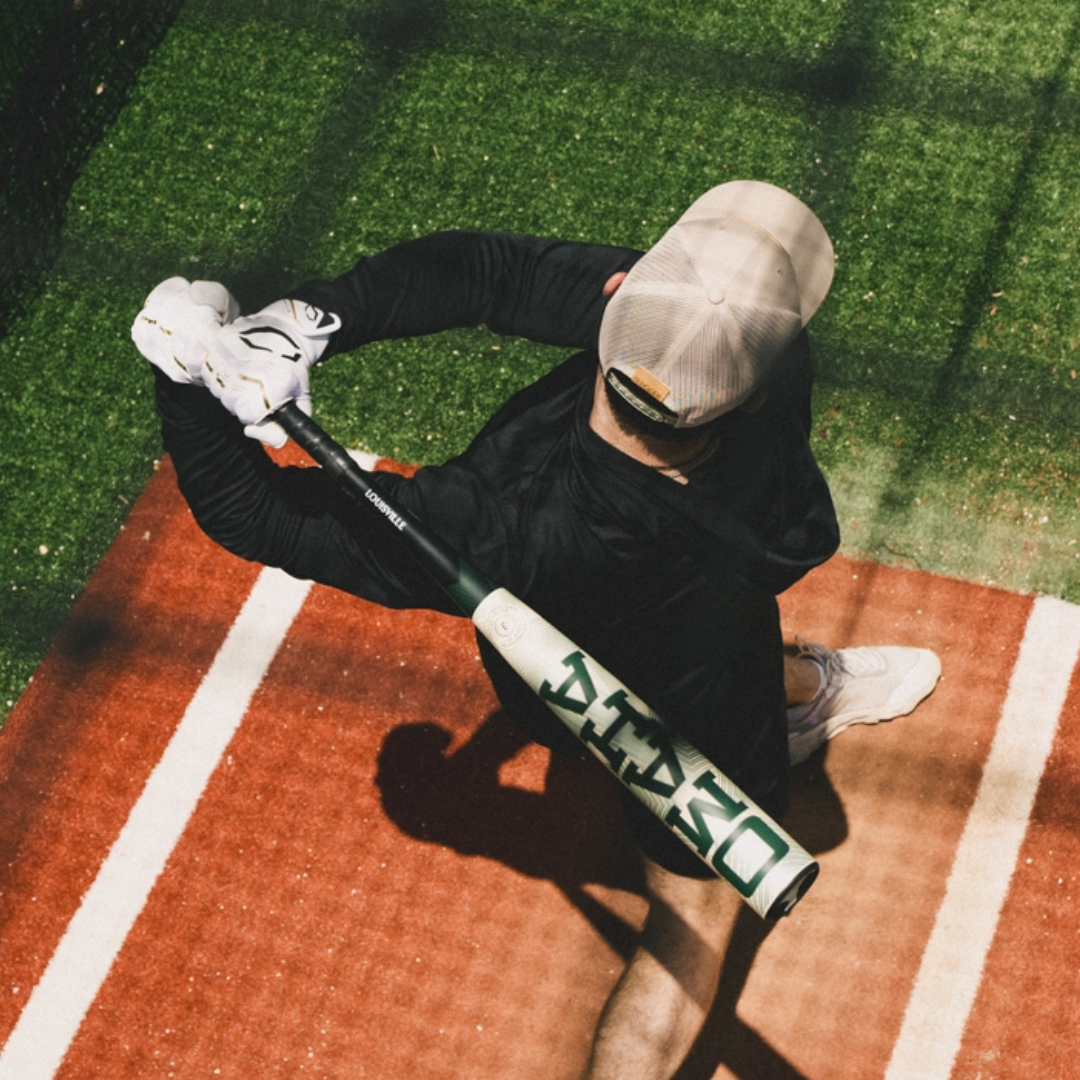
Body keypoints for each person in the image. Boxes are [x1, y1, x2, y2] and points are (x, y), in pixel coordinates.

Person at [132, 181, 940, 1080]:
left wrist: (187, 378)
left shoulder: (497, 528)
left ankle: (794, 691)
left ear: (613, 307)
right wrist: (305, 319)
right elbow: (485, 270)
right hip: (709, 684)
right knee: (701, 909)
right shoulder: (771, 374)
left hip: (587, 700)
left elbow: (256, 511)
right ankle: (802, 691)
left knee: (684, 942)